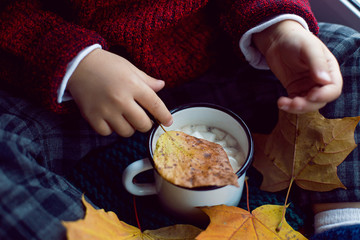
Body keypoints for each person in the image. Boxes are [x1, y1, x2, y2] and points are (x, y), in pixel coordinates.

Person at [0, 0, 359, 239]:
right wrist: (72, 61)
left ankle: (340, 220)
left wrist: (277, 29)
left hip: (218, 62)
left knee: (345, 51)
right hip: (73, 99)